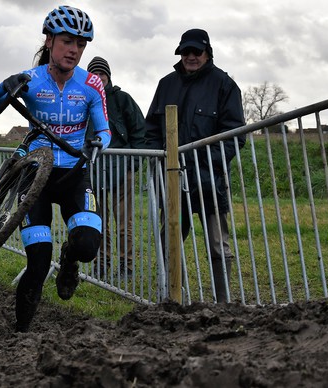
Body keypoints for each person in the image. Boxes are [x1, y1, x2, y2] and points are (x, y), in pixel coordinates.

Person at [0, 5, 111, 332]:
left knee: (88, 245)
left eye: (81, 44)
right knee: (37, 261)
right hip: (36, 178)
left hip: (74, 175)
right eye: (66, 41)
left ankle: (70, 261)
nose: (74, 49)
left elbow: (104, 129)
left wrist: (96, 144)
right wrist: (5, 86)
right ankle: (21, 335)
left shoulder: (91, 84)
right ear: (49, 41)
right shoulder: (31, 80)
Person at [144, 28, 245, 303]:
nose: (190, 57)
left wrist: (204, 161)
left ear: (207, 53)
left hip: (209, 180)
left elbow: (235, 134)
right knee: (171, 239)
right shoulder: (166, 84)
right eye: (185, 52)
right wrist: (160, 157)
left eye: (195, 52)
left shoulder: (224, 85)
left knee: (217, 242)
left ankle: (222, 301)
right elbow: (151, 128)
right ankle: (172, 295)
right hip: (173, 180)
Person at [85, 56, 146, 278]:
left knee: (124, 222)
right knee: (98, 220)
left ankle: (126, 265)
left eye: (102, 74)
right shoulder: (84, 101)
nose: (98, 78)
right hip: (94, 168)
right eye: (94, 75)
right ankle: (101, 262)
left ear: (108, 76)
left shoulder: (122, 99)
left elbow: (139, 130)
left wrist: (134, 164)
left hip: (122, 168)